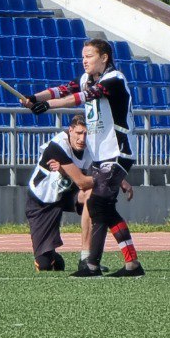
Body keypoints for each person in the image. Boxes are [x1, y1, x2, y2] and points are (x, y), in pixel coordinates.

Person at [21, 39, 144, 278]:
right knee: (102, 208)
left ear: (104, 58)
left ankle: (94, 265)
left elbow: (81, 97)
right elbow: (62, 90)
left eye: (89, 56)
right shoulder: (86, 78)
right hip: (101, 157)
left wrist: (47, 106)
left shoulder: (114, 79)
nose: (84, 61)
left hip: (117, 152)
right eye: (83, 57)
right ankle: (128, 264)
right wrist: (34, 98)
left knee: (98, 205)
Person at [26, 115, 96, 271]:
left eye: (86, 134)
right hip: (42, 200)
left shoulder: (91, 146)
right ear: (70, 130)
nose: (82, 139)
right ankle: (51, 256)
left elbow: (102, 169)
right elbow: (82, 181)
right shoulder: (57, 146)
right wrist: (109, 179)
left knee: (93, 197)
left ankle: (87, 258)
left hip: (66, 192)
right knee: (45, 265)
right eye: (79, 133)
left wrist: (120, 180)